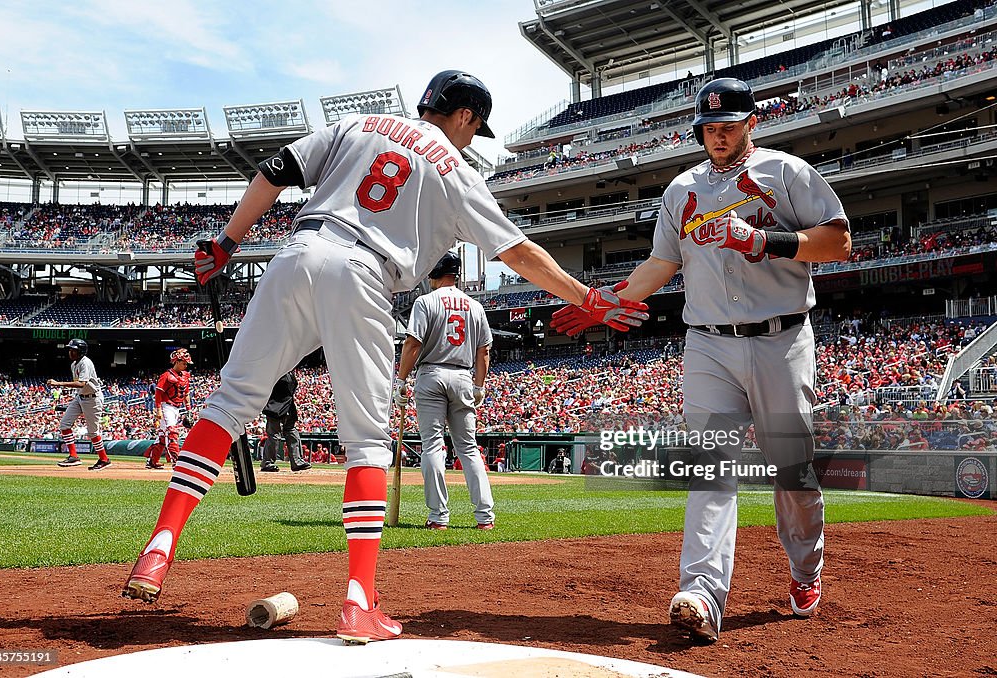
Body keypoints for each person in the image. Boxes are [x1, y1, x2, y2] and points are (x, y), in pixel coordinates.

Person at [120, 69, 647, 644]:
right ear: (465, 116)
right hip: (365, 273)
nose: (473, 137)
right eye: (476, 126)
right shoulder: (458, 170)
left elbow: (273, 172)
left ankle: (159, 547)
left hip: (294, 255)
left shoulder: (357, 124)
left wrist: (226, 241)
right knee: (367, 439)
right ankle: (357, 601)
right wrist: (588, 297)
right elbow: (518, 252)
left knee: (229, 404)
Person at [552, 77, 850, 642]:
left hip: (782, 338)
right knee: (710, 468)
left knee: (793, 472)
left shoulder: (786, 174)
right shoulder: (680, 190)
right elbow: (661, 265)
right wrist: (603, 302)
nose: (717, 136)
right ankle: (702, 594)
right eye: (708, 128)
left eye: (728, 126)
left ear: (751, 123)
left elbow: (838, 242)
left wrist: (765, 242)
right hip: (708, 343)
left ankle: (805, 569)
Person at [397, 251, 495, 531]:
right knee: (468, 448)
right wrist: (479, 384)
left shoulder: (425, 302)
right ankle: (484, 517)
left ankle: (439, 516)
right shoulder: (475, 306)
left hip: (432, 373)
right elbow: (483, 350)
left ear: (435, 273)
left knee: (432, 445)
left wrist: (401, 380)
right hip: (463, 376)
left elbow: (413, 344)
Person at [49, 338, 110, 470]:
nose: (70, 352)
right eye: (70, 350)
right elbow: (80, 386)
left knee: (93, 432)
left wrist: (59, 383)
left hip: (93, 398)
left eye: (73, 350)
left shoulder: (85, 363)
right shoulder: (74, 365)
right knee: (64, 424)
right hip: (80, 397)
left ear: (81, 351)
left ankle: (104, 459)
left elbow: (82, 383)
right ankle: (73, 457)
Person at [146, 348, 192, 470]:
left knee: (162, 436)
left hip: (177, 408)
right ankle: (176, 461)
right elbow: (158, 393)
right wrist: (158, 410)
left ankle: (152, 461)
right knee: (172, 432)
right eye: (184, 363)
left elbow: (186, 393)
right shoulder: (166, 376)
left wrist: (188, 410)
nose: (186, 365)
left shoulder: (186, 376)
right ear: (177, 361)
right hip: (166, 406)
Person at [260, 370, 312, 473]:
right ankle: (267, 463)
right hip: (275, 407)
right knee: (274, 436)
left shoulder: (288, 373)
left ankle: (297, 462)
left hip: (288, 407)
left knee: (292, 434)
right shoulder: (275, 372)